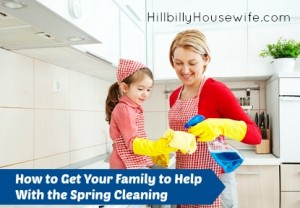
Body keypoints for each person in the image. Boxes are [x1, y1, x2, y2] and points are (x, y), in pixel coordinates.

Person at [167, 29, 262, 208]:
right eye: (178, 62)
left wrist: (221, 125)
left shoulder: (216, 91)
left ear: (206, 60)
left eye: (192, 63)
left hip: (215, 183)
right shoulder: (174, 96)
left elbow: (255, 135)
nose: (184, 70)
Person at [105, 58, 196, 169]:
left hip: (132, 161)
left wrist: (155, 152)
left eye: (148, 90)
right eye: (140, 89)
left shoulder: (132, 108)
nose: (145, 94)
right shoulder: (125, 109)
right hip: (124, 164)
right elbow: (132, 143)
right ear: (124, 87)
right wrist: (158, 146)